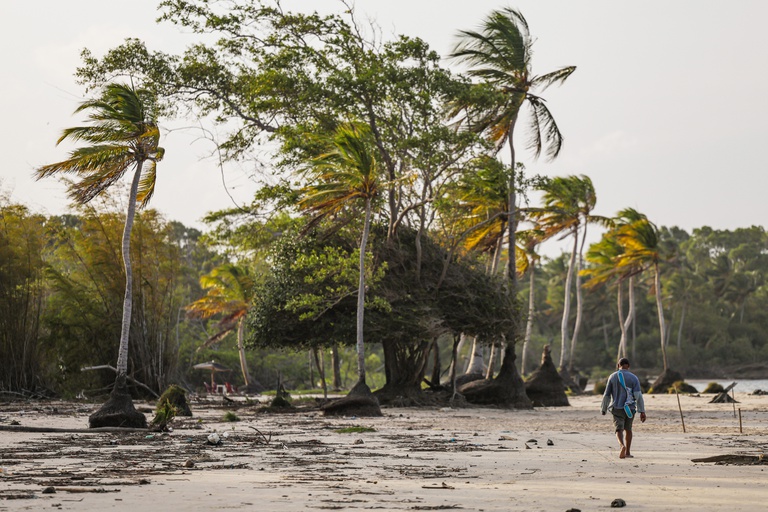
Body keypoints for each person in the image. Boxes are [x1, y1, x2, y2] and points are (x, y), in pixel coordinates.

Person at [601, 357, 646, 459]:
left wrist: (604, 408)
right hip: (630, 409)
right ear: (628, 366)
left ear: (618, 365)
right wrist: (642, 411)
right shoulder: (634, 378)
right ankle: (628, 452)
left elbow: (606, 394)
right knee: (628, 429)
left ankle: (622, 446)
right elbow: (638, 395)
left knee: (619, 429)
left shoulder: (612, 377)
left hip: (617, 408)